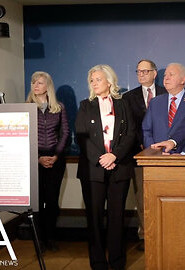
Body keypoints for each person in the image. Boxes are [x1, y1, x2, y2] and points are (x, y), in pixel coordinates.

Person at [75, 64, 135, 270]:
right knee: (94, 218)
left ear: (109, 82)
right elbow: (81, 137)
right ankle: (98, 263)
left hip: (119, 168)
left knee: (117, 218)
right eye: (91, 80)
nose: (94, 83)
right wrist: (102, 158)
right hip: (93, 170)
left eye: (98, 79)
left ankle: (117, 262)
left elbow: (130, 134)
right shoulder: (85, 105)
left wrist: (114, 155)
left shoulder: (123, 104)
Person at [122, 59, 167, 249]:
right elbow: (127, 127)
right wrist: (141, 145)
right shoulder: (128, 97)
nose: (141, 75)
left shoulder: (167, 93)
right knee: (142, 197)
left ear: (155, 74)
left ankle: (165, 234)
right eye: (138, 71)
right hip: (139, 154)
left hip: (166, 154)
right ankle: (146, 236)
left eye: (145, 71)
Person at [26, 71, 70, 252]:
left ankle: (51, 238)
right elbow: (23, 135)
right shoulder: (27, 107)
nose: (36, 85)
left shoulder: (58, 107)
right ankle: (39, 240)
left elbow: (65, 133)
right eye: (34, 82)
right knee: (37, 201)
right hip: (34, 159)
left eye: (40, 83)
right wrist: (37, 158)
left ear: (48, 86)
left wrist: (56, 155)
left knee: (51, 200)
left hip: (55, 159)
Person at [142, 63, 185, 154]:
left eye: (171, 75)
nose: (166, 78)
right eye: (165, 75)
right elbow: (147, 131)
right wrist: (156, 152)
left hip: (184, 161)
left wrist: (184, 155)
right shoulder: (155, 102)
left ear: (183, 80)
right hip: (158, 160)